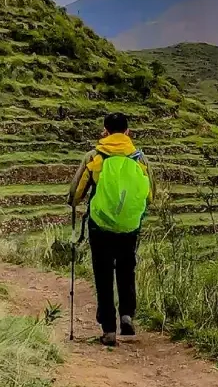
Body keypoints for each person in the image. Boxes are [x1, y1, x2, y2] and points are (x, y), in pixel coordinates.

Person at [68, 113, 155, 346]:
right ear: (128, 132)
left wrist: (76, 202)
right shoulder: (140, 158)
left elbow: (75, 194)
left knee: (103, 274)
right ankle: (126, 315)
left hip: (100, 226)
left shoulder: (95, 157)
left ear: (105, 131)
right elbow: (151, 195)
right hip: (129, 226)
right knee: (127, 269)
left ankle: (108, 329)